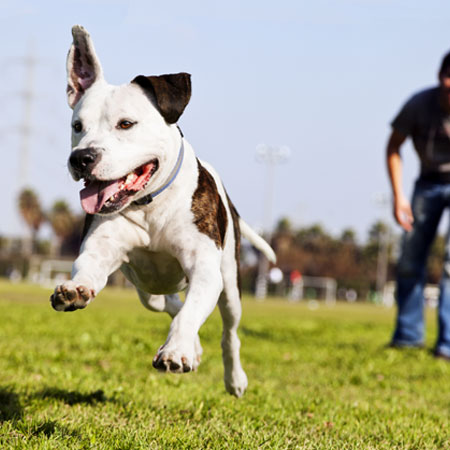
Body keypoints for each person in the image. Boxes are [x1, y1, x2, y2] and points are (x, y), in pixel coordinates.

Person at [386, 51, 450, 360]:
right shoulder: (419, 105)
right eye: (447, 76)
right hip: (427, 183)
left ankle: (447, 344)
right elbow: (393, 147)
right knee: (411, 258)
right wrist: (398, 196)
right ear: (440, 76)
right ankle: (408, 337)